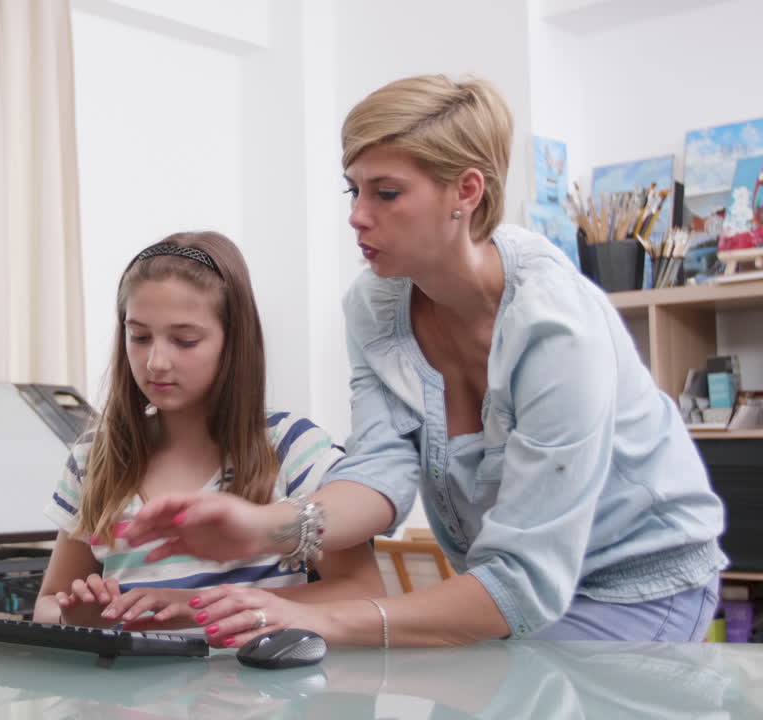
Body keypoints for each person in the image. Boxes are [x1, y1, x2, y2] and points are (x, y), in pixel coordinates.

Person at [122, 76, 727, 647]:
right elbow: (379, 471)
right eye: (353, 189)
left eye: (386, 193)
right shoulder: (375, 306)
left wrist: (322, 616)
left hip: (634, 586)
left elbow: (523, 582)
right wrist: (264, 528)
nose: (357, 215)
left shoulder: (555, 328)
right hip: (508, 585)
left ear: (466, 191)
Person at [32, 231, 384, 635]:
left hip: (261, 676)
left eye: (185, 340)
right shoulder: (93, 458)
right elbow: (47, 603)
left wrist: (196, 607)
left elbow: (363, 592)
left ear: (233, 342)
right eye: (139, 337)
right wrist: (76, 618)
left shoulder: (292, 447)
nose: (156, 362)